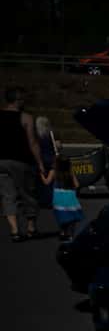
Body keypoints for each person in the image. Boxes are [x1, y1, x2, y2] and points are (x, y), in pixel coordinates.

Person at [2, 87, 51, 242]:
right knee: (28, 194)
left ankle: (14, 231)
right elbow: (33, 143)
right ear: (18, 101)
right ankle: (31, 228)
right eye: (23, 100)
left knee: (8, 196)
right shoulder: (26, 118)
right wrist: (40, 163)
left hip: (1, 161)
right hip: (21, 161)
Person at [50, 158, 84, 242]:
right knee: (72, 217)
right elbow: (77, 185)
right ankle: (71, 235)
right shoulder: (70, 173)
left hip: (58, 198)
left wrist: (42, 175)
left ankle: (62, 232)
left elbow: (47, 182)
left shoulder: (54, 172)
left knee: (61, 216)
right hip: (69, 196)